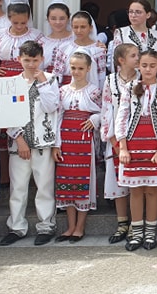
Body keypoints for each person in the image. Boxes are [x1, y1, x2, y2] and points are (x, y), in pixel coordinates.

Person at [0, 40, 60, 246]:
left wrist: (42, 82)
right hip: (19, 145)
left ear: (41, 59)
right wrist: (19, 139)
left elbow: (52, 107)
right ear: (19, 59)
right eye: (27, 60)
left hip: (43, 142)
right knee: (18, 188)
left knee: (44, 187)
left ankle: (46, 226)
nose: (31, 64)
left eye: (35, 60)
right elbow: (7, 114)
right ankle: (16, 227)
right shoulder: (13, 83)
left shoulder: (50, 79)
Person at [115, 49, 157, 251]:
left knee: (152, 190)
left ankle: (150, 233)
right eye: (144, 65)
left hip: (154, 145)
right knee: (135, 190)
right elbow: (122, 116)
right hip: (133, 144)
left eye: (152, 66)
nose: (148, 69)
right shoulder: (130, 87)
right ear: (138, 66)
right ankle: (137, 232)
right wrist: (123, 147)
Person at [53, 51, 101, 242]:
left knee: (82, 182)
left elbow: (104, 111)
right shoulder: (63, 90)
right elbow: (57, 117)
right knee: (66, 182)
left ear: (88, 68)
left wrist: (95, 119)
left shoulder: (94, 91)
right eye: (73, 68)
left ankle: (80, 226)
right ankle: (70, 226)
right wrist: (56, 144)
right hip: (65, 140)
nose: (76, 71)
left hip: (83, 141)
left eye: (81, 68)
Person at [101, 43, 138, 244]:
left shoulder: (142, 78)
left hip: (139, 136)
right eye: (133, 55)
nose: (138, 58)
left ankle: (136, 224)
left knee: (137, 183)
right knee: (117, 183)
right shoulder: (110, 80)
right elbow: (106, 109)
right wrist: (113, 139)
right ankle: (122, 222)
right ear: (121, 60)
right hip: (116, 138)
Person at [0, 0, 42, 76]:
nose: (19, 26)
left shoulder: (36, 36)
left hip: (30, 75)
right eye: (15, 23)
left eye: (23, 23)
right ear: (9, 17)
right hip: (5, 76)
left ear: (28, 19)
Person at [107, 0, 157, 74]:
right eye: (131, 12)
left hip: (152, 77)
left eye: (138, 12)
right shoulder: (121, 33)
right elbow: (116, 61)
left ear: (148, 15)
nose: (133, 15)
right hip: (129, 77)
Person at [59, 11, 107, 89]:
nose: (79, 31)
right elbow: (57, 74)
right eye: (76, 27)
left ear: (90, 27)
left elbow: (101, 76)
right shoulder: (64, 48)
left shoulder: (98, 50)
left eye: (83, 27)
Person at [40, 1, 73, 78]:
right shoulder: (42, 42)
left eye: (62, 18)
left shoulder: (76, 40)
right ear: (48, 19)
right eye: (53, 18)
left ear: (68, 19)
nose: (58, 22)